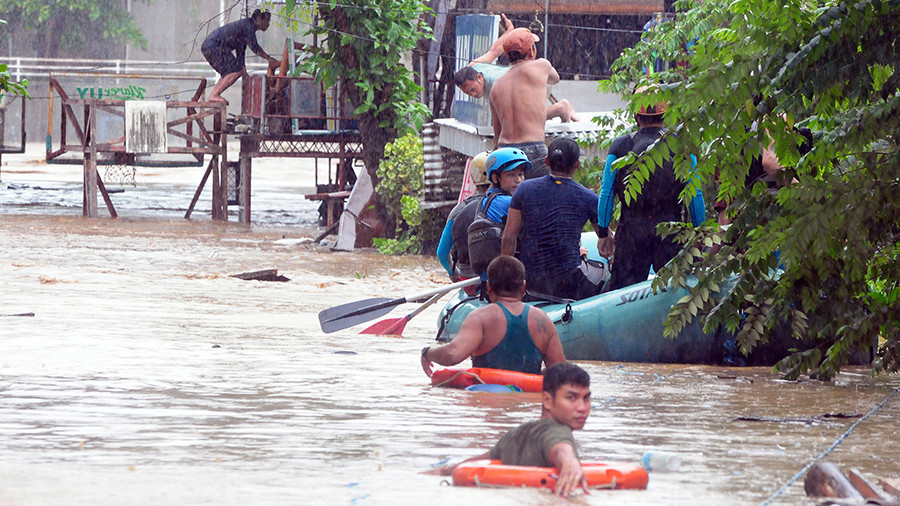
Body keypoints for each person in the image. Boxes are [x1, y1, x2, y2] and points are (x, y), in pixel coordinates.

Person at [596, 86, 706, 292]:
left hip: (632, 233)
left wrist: (603, 232)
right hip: (671, 232)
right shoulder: (682, 144)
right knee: (676, 293)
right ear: (665, 114)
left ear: (636, 115)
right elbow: (696, 193)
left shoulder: (620, 146)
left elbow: (607, 192)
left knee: (623, 296)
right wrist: (701, 233)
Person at [429, 362, 592, 498]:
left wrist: (441, 472)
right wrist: (570, 462)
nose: (582, 408)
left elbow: (477, 462)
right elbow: (561, 447)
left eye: (586, 398)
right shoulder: (558, 433)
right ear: (547, 401)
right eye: (571, 398)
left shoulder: (516, 435)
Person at [420, 255, 565, 376]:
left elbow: (453, 354)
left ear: (488, 287)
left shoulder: (480, 317)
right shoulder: (543, 320)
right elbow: (560, 371)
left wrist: (427, 353)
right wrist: (534, 378)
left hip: (487, 400)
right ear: (523, 287)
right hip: (528, 405)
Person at [501, 137, 604, 300]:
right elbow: (605, 242)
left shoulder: (524, 189)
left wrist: (508, 282)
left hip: (533, 281)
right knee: (605, 274)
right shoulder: (589, 197)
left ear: (547, 161)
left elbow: (508, 238)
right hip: (569, 282)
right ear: (577, 164)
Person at [454, 14, 578, 125]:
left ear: (479, 77)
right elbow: (495, 50)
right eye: (468, 93)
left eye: (473, 89)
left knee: (526, 121)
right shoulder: (473, 66)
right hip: (523, 74)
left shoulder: (498, 85)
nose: (473, 95)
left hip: (532, 82)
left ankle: (561, 108)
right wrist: (509, 31)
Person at [489, 28, 563, 179]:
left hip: (504, 151)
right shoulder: (541, 66)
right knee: (541, 200)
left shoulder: (496, 86)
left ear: (506, 55)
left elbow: (497, 134)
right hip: (533, 148)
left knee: (511, 200)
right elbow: (555, 79)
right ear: (531, 51)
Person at [466, 147, 529, 277]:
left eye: (520, 174)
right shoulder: (507, 202)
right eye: (511, 174)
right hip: (502, 275)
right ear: (495, 178)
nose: (518, 180)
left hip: (490, 274)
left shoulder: (489, 197)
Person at [201, 9, 281, 104]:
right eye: (267, 21)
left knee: (229, 73)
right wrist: (269, 58)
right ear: (259, 19)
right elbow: (254, 47)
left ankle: (213, 95)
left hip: (210, 46)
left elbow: (240, 51)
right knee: (235, 71)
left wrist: (244, 71)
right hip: (214, 46)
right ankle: (215, 95)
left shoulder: (244, 27)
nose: (268, 24)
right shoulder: (248, 26)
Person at [436, 151, 491, 283]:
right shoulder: (511, 204)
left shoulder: (459, 210)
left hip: (469, 280)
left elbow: (442, 253)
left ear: (473, 178)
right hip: (500, 279)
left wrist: (453, 273)